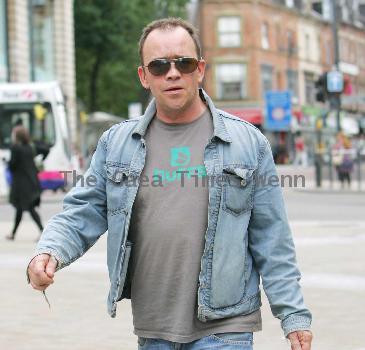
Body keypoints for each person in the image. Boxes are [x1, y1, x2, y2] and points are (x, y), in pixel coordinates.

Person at [27, 18, 312, 350]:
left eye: (184, 63)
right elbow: (84, 210)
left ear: (200, 69)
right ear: (144, 76)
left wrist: (293, 316)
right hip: (154, 328)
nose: (173, 73)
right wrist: (49, 251)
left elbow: (272, 238)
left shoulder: (248, 143)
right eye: (159, 66)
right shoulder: (117, 144)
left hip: (225, 327)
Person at [6, 126, 44, 241]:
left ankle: (43, 232)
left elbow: (12, 165)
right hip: (32, 181)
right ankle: (13, 233)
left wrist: (7, 163)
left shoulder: (15, 148)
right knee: (20, 208)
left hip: (22, 184)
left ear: (17, 136)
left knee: (29, 208)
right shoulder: (29, 147)